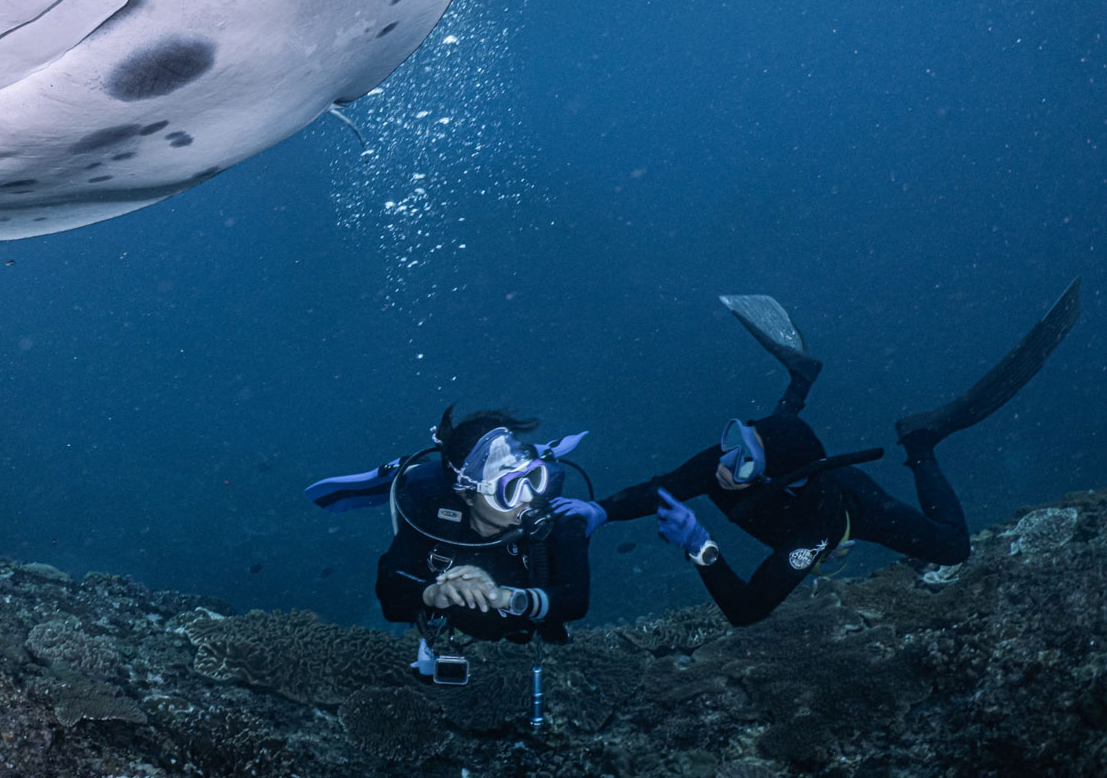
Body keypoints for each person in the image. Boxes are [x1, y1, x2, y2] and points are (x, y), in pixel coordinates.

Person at [554, 281, 1081, 627]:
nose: (722, 462)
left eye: (743, 461)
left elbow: (747, 608)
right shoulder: (728, 457)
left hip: (850, 506)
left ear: (771, 481)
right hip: (790, 459)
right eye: (734, 439)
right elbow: (661, 487)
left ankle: (920, 443)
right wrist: (600, 511)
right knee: (782, 426)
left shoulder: (810, 539)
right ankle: (799, 379)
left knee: (952, 549)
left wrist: (701, 546)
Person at [310, 407, 592, 645]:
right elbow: (390, 589)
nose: (530, 497)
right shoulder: (438, 517)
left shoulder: (556, 515)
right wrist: (434, 593)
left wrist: (503, 598)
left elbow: (576, 599)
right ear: (466, 494)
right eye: (509, 490)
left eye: (534, 478)